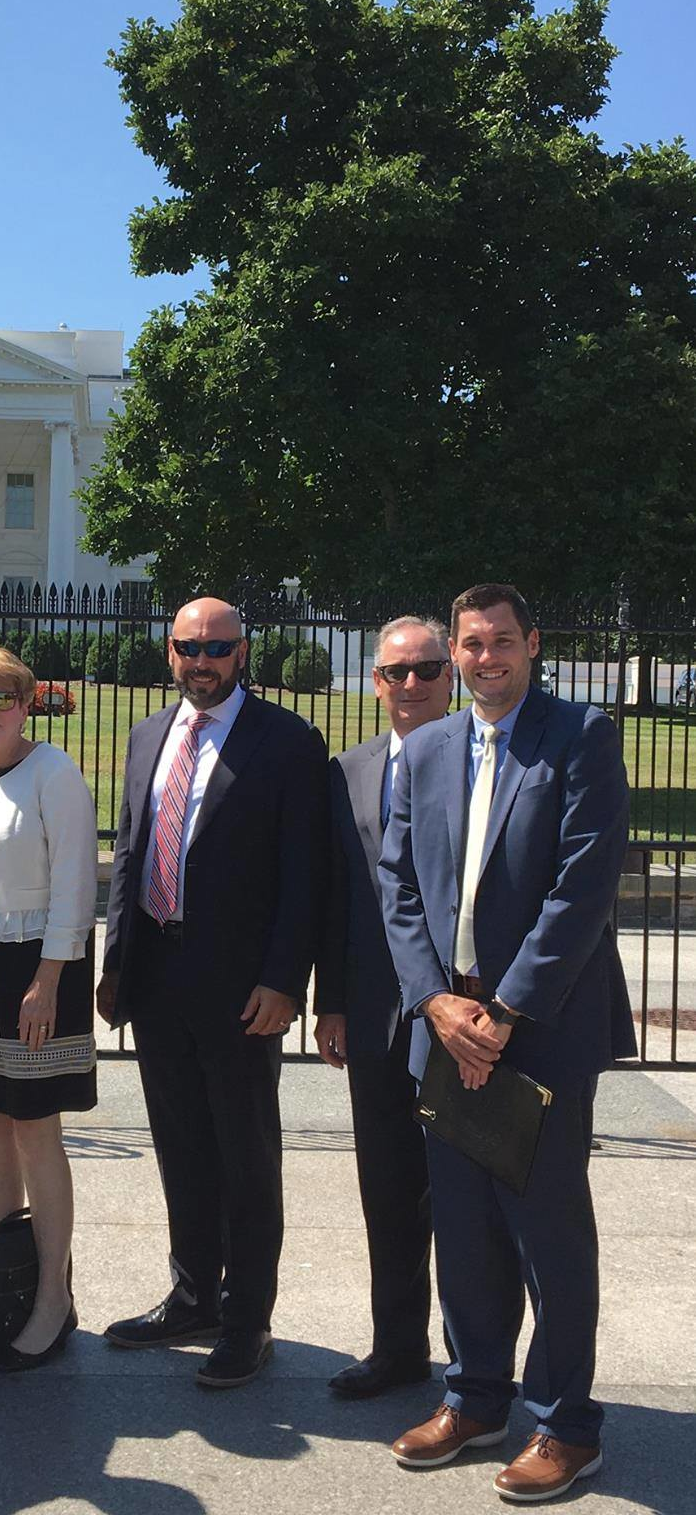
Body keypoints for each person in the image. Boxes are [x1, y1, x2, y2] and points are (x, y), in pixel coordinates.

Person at [379, 583, 633, 1504]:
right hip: (448, 1027)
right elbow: (397, 883)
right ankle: (476, 1395)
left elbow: (583, 886)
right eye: (470, 645)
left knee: (547, 1230)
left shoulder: (580, 735)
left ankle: (569, 1425)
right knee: (465, 1226)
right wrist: (436, 1004)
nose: (485, 660)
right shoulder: (429, 747)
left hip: (543, 1028)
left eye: (501, 643)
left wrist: (507, 1012)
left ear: (533, 644)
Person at [98, 596, 329, 1388]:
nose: (203, 660)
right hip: (157, 976)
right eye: (189, 646)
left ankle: (247, 1318)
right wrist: (115, 963)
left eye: (218, 647)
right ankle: (193, 1295)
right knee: (180, 1145)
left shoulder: (288, 742)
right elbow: (130, 852)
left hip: (241, 989)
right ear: (170, 652)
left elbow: (305, 878)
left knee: (245, 1154)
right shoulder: (147, 734)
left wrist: (283, 981)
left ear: (243, 652)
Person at [0, 647, 98, 1371]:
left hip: (34, 969)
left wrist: (50, 978)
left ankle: (54, 1297)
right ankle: (9, 1277)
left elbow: (75, 885)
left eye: (2, 697)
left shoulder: (54, 773)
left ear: (28, 703)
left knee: (36, 1129)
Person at [314, 616, 453, 1398]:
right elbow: (338, 896)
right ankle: (397, 1349)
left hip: (464, 1015)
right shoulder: (350, 770)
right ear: (375, 681)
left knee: (468, 1195)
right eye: (395, 671)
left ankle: (478, 1365)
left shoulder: (482, 756)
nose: (411, 684)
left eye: (426, 669)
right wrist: (330, 1001)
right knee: (389, 1192)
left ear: (449, 677)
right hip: (374, 1014)